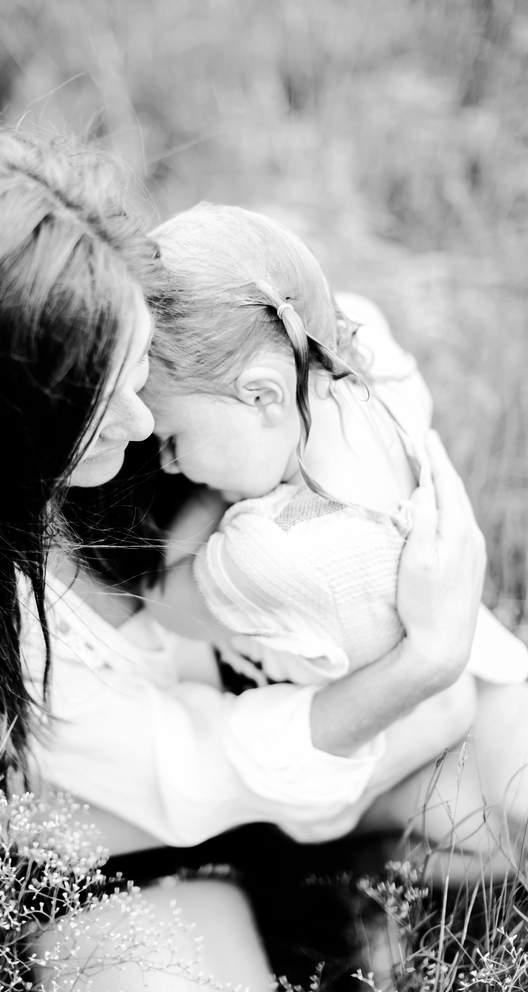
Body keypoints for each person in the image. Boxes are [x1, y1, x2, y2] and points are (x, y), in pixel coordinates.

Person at [0, 125, 520, 992]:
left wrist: (412, 544)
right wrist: (423, 675)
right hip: (137, 853)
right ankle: (324, 885)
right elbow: (200, 771)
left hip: (315, 709)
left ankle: (343, 877)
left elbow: (334, 365)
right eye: (98, 406)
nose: (141, 421)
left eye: (140, 365)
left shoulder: (140, 349)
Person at [139, 203, 528, 807]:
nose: (166, 463)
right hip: (475, 649)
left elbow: (167, 600)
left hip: (382, 736)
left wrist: (204, 509)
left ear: (264, 395)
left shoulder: (271, 551)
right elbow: (352, 308)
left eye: (171, 438)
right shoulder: (377, 374)